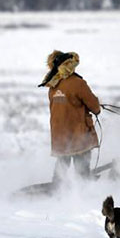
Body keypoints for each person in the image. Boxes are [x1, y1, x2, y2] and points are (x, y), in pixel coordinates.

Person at [39, 50, 101, 183]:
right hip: (78, 135)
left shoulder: (53, 85)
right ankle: (84, 188)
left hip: (59, 135)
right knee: (82, 171)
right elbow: (96, 108)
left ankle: (57, 187)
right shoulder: (78, 83)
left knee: (62, 164)